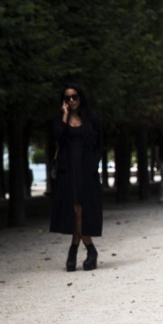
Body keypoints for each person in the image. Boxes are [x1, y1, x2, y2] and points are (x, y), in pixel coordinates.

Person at [50, 85, 103, 272]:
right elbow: (57, 137)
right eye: (67, 97)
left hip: (85, 171)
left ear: (81, 98)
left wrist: (94, 165)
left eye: (74, 97)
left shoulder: (91, 118)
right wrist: (64, 117)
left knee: (81, 211)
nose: (71, 100)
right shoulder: (59, 119)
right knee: (74, 211)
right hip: (68, 172)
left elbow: (99, 145)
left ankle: (74, 251)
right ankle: (90, 250)